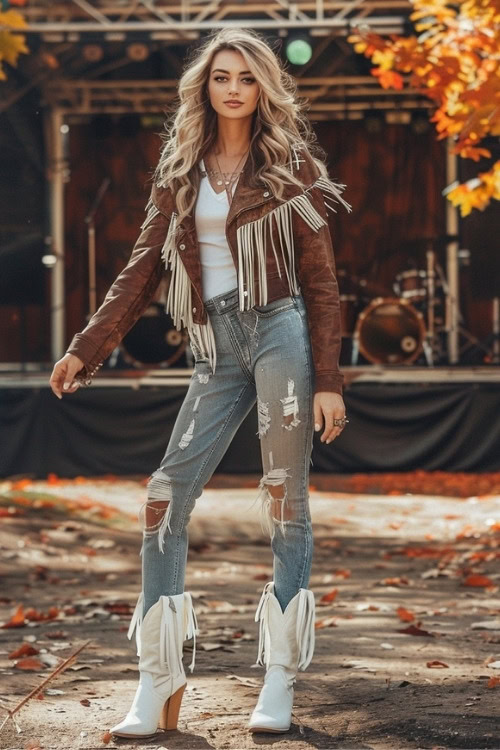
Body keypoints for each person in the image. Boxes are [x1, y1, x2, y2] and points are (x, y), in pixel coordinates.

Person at [49, 27, 351, 738]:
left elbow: (322, 281)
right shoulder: (180, 167)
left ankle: (278, 678)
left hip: (279, 331)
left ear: (264, 86)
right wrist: (86, 347)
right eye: (222, 77)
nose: (234, 89)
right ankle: (158, 681)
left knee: (284, 499)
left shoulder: (292, 165)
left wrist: (329, 379)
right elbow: (141, 270)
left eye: (246, 78)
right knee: (162, 498)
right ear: (205, 87)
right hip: (214, 344)